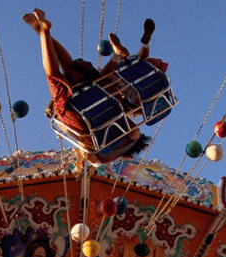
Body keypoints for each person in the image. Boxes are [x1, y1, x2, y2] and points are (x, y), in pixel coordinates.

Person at [23, 9, 150, 163]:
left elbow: (131, 126)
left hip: (98, 98)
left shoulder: (131, 135)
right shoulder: (102, 158)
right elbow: (86, 149)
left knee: (69, 66)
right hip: (79, 116)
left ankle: (42, 31)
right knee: (53, 75)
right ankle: (44, 31)